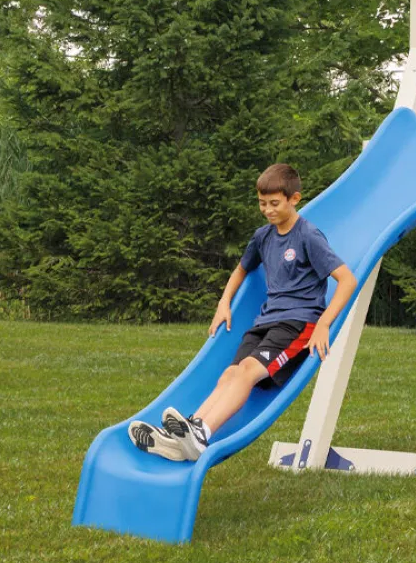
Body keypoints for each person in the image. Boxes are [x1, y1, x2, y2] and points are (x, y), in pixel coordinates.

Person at [127, 164, 358, 462]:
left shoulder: (308, 236)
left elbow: (347, 280)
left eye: (274, 203)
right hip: (265, 321)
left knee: (247, 371)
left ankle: (200, 433)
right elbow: (241, 270)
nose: (267, 210)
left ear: (294, 199)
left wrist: (325, 323)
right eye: (262, 203)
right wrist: (224, 303)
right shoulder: (263, 237)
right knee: (230, 373)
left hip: (298, 324)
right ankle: (186, 433)